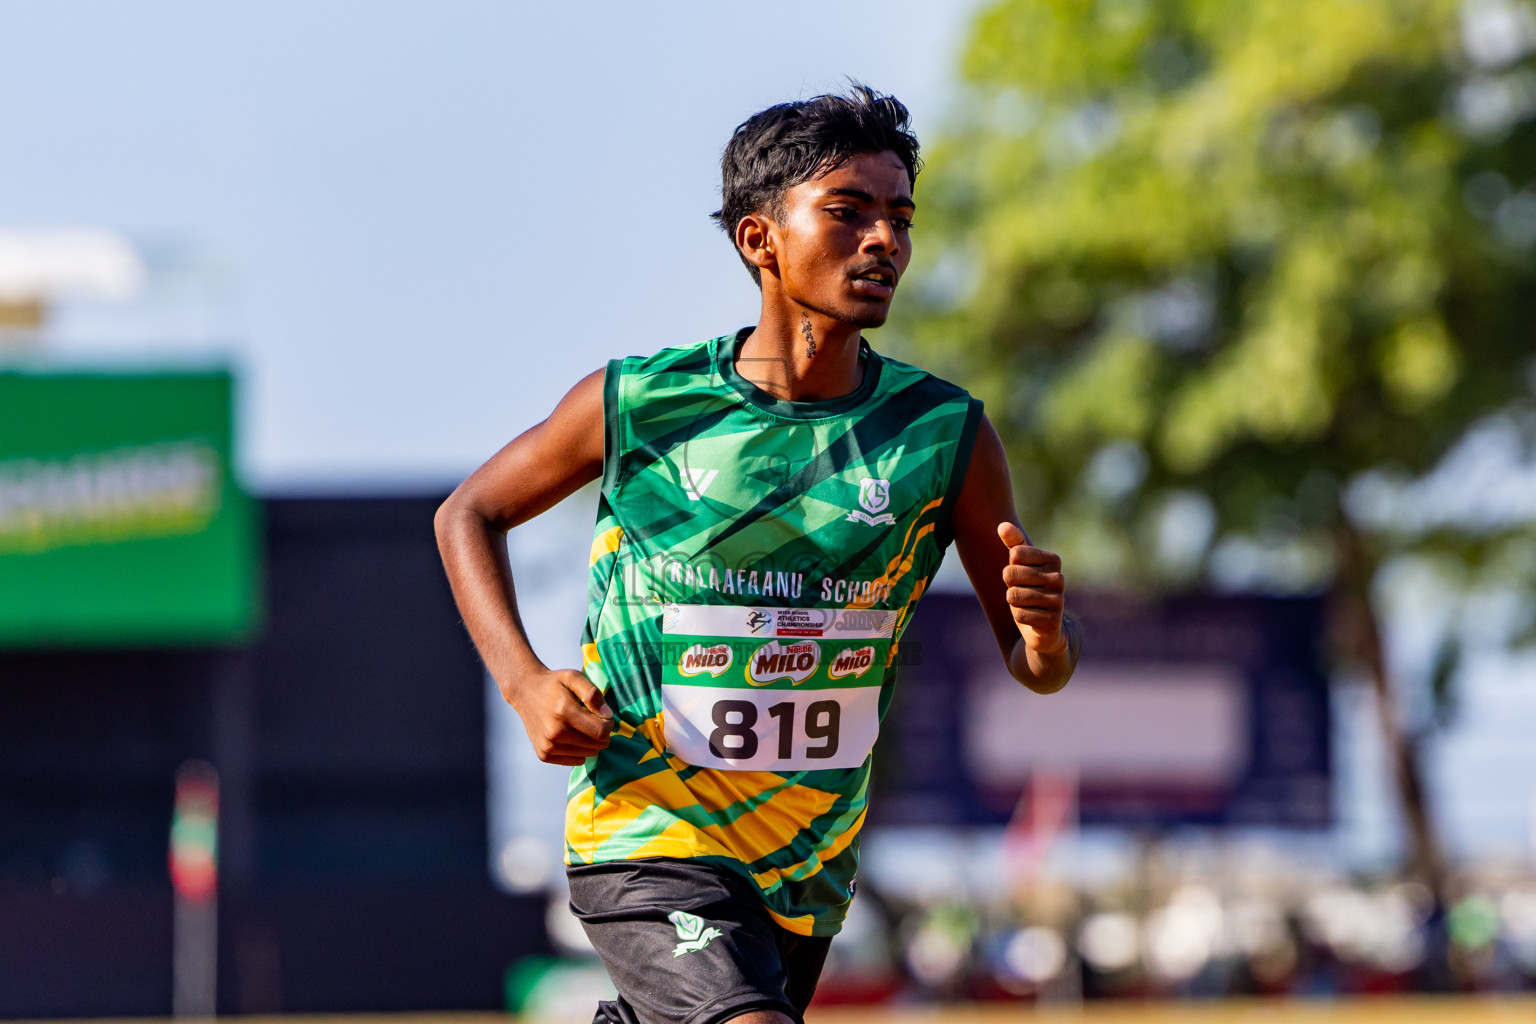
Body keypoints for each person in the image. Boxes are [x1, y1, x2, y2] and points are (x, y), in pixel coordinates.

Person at [435, 85, 1081, 1024]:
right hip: (646, 830)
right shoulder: (643, 403)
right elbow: (470, 513)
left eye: (898, 217)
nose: (884, 240)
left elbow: (1035, 669)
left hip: (807, 862)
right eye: (848, 212)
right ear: (759, 240)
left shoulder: (942, 436)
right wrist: (525, 679)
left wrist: (1049, 639)